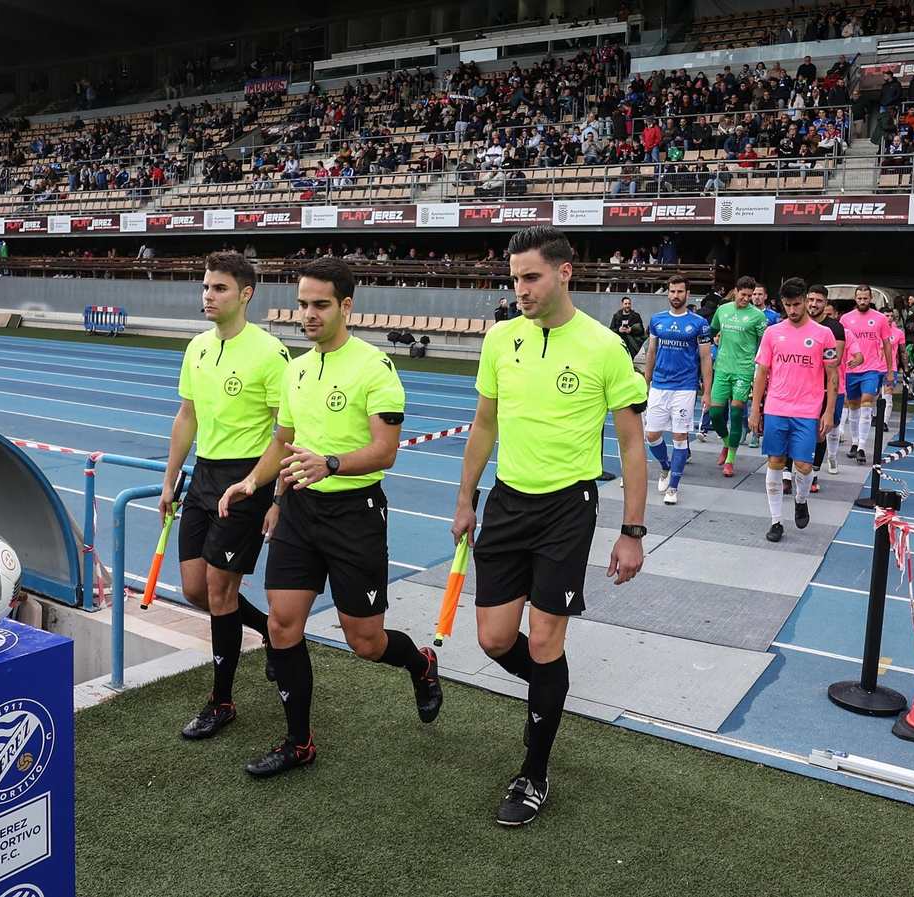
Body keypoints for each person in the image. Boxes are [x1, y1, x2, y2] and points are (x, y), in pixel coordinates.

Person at [451, 225, 648, 826]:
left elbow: (634, 445)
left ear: (566, 272)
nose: (520, 290)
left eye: (530, 277)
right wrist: (466, 499)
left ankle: (533, 773)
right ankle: (550, 688)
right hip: (508, 503)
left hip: (568, 507)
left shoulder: (603, 346)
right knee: (492, 639)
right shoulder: (500, 339)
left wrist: (631, 531)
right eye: (514, 279)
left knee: (543, 639)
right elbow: (483, 425)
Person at [218, 257, 439, 777]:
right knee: (282, 624)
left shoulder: (375, 368)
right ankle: (299, 742)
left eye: (320, 304)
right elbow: (283, 441)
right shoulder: (295, 368)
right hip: (298, 507)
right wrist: (254, 483)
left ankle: (421, 663)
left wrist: (331, 463)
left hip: (353, 514)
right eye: (302, 303)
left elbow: (386, 452)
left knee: (365, 641)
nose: (308, 314)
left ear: (346, 306)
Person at [160, 252, 286, 740]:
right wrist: (171, 479)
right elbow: (187, 416)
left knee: (220, 591)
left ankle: (221, 700)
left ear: (245, 294)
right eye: (206, 287)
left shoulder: (270, 353)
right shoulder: (196, 348)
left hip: (247, 478)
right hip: (204, 476)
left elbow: (284, 431)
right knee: (196, 590)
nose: (208, 296)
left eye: (219, 289)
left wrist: (273, 494)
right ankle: (273, 636)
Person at [747, 278, 839, 543]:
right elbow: (762, 373)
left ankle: (800, 499)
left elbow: (832, 374)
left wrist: (829, 411)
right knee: (775, 462)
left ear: (807, 300)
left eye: (797, 304)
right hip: (776, 406)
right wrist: (756, 409)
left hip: (808, 410)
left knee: (804, 465)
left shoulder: (824, 334)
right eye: (787, 305)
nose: (793, 310)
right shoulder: (773, 333)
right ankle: (776, 521)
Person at [642, 274, 713, 505]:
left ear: (687, 294)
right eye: (672, 291)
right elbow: (651, 352)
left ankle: (673, 487)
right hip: (659, 385)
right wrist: (647, 381)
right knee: (651, 435)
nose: (675, 295)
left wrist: (708, 393)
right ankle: (665, 467)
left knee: (680, 437)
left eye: (680, 291)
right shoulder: (657, 320)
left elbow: (705, 359)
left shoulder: (698, 323)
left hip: (684, 387)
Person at [707, 276, 766, 477]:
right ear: (735, 291)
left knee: (735, 413)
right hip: (722, 368)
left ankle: (730, 461)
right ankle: (726, 443)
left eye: (750, 296)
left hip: (743, 370)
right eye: (743, 295)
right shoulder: (722, 310)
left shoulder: (757, 316)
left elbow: (765, 342)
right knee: (714, 414)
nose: (747, 299)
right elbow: (711, 331)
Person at [838, 285, 896, 464]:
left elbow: (886, 345)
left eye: (865, 298)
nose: (862, 301)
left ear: (871, 299)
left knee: (866, 405)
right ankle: (854, 443)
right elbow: (840, 343)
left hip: (871, 369)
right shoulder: (846, 319)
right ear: (855, 299)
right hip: (850, 370)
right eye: (859, 298)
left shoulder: (879, 319)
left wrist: (889, 370)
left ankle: (862, 446)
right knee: (853, 406)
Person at [808, 284, 849, 478]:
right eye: (810, 300)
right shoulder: (798, 322)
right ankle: (787, 475)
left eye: (818, 301)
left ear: (825, 303)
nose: (813, 304)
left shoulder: (835, 328)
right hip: (799, 387)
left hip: (823, 388)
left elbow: (836, 361)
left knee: (819, 432)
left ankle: (815, 473)